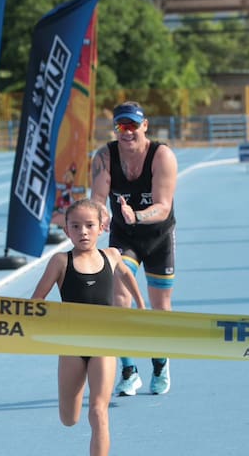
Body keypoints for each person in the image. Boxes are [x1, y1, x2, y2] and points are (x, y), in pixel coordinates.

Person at [31, 199, 145, 456]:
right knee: (69, 418)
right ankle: (74, 398)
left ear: (101, 228)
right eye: (76, 226)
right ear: (67, 231)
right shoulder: (61, 262)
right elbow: (36, 301)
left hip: (103, 343)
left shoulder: (112, 255)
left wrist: (140, 303)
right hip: (71, 345)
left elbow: (126, 274)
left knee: (98, 410)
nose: (83, 231)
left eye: (89, 225)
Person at [90, 101, 178, 396]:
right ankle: (128, 370)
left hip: (157, 236)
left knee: (159, 307)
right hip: (124, 237)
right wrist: (99, 216)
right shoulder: (104, 157)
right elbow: (99, 199)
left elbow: (164, 208)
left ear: (145, 126)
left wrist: (137, 215)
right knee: (118, 299)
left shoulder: (161, 156)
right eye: (121, 126)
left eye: (132, 126)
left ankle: (161, 362)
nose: (127, 132)